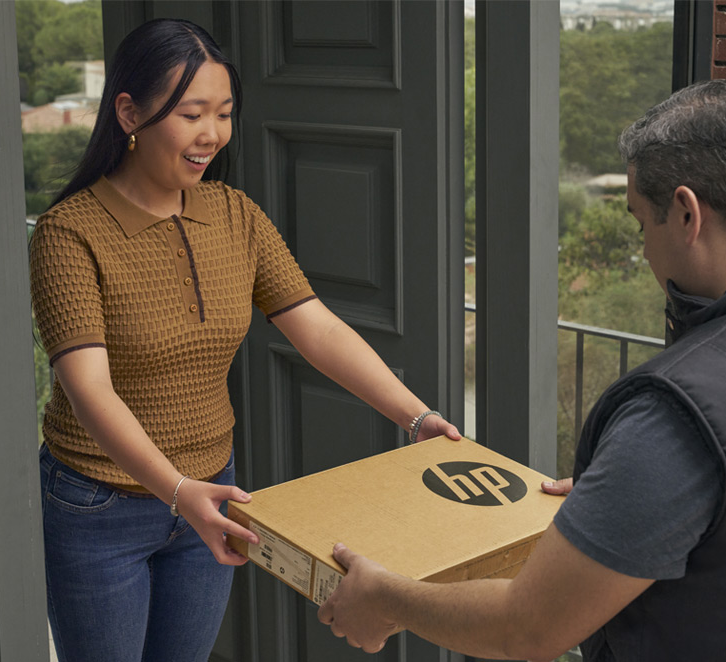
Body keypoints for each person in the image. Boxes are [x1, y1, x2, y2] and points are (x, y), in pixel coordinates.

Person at [316, 78, 726, 661]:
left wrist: (385, 598)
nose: (645, 251)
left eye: (644, 225)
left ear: (688, 214)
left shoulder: (683, 408)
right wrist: (623, 495)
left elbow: (530, 626)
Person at [29, 18, 462, 662]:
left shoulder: (235, 215)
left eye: (225, 114)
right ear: (129, 112)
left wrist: (417, 416)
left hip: (215, 491)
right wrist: (177, 491)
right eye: (192, 113)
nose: (212, 135)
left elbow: (316, 327)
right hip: (100, 507)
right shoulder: (70, 234)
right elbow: (90, 392)